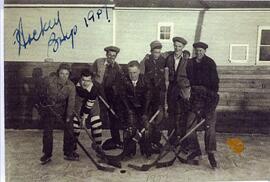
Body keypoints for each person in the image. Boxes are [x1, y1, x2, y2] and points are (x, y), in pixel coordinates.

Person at [186, 42, 220, 168]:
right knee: (189, 126)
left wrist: (208, 106)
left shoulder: (210, 63)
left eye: (201, 51)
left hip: (209, 100)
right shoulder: (190, 63)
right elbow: (188, 82)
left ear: (204, 51)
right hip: (195, 100)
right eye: (197, 51)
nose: (198, 53)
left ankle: (210, 152)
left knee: (209, 127)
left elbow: (215, 86)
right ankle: (195, 150)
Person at [39, 63, 77, 164]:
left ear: (69, 75)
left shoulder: (71, 86)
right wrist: (43, 103)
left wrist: (68, 117)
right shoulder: (49, 80)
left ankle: (68, 152)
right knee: (47, 131)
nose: (64, 76)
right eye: (62, 73)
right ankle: (47, 154)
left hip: (63, 109)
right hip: (49, 109)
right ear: (58, 73)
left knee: (69, 129)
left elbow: (71, 103)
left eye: (66, 74)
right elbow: (41, 92)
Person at [121, 60, 159, 158]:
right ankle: (129, 151)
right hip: (130, 109)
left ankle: (146, 149)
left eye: (134, 72)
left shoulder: (146, 80)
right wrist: (129, 112)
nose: (132, 75)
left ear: (139, 71)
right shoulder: (123, 81)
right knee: (130, 127)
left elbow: (149, 99)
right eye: (130, 72)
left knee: (146, 127)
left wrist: (145, 114)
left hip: (144, 108)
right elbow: (123, 99)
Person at [92, 46, 125, 150]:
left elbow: (118, 83)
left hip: (109, 96)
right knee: (97, 118)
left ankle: (116, 140)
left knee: (113, 117)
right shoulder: (98, 62)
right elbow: (91, 75)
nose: (111, 57)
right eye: (110, 55)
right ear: (106, 54)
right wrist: (94, 86)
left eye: (114, 56)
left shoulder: (117, 67)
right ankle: (96, 143)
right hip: (97, 93)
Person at [140, 40, 166, 153]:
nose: (157, 54)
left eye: (159, 52)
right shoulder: (146, 60)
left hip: (159, 93)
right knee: (148, 117)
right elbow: (141, 75)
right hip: (148, 94)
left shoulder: (164, 61)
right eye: (155, 52)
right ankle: (147, 142)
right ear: (151, 52)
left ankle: (156, 141)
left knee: (159, 118)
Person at [165, 37, 191, 148]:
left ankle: (184, 141)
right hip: (172, 89)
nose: (177, 48)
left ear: (183, 47)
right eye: (175, 45)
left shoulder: (187, 60)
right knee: (172, 114)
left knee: (183, 115)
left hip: (183, 90)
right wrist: (166, 83)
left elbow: (190, 76)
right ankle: (172, 141)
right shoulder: (169, 58)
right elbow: (166, 72)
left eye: (179, 46)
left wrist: (187, 89)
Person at [72, 69, 103, 156]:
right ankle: (72, 147)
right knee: (75, 122)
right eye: (83, 80)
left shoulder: (95, 88)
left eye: (88, 81)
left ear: (91, 80)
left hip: (91, 102)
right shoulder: (74, 84)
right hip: (79, 101)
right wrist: (80, 118)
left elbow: (89, 105)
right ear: (80, 79)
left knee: (96, 122)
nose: (85, 83)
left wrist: (84, 119)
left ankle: (98, 146)